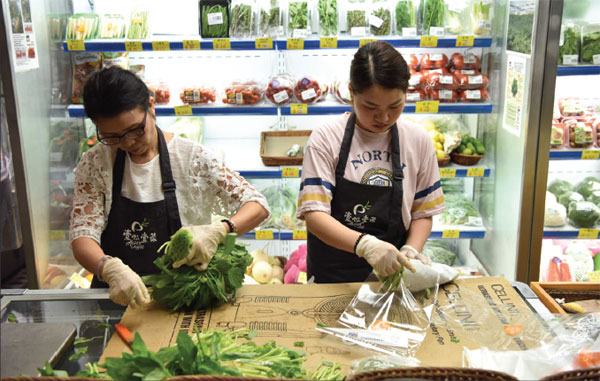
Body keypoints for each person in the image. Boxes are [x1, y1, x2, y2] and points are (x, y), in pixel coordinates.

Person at [70, 67, 269, 307]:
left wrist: (220, 230)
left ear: (151, 107)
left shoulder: (191, 157)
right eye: (112, 136)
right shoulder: (96, 163)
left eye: (135, 130)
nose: (127, 143)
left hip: (186, 296)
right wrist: (107, 267)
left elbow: (257, 205)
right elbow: (82, 236)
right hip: (119, 299)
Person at [297, 41, 445, 283]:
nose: (384, 117)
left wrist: (411, 250)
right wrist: (365, 245)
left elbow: (422, 211)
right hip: (333, 276)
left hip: (394, 276)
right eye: (370, 106)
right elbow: (314, 214)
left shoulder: (417, 140)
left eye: (395, 106)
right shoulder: (326, 138)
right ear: (351, 93)